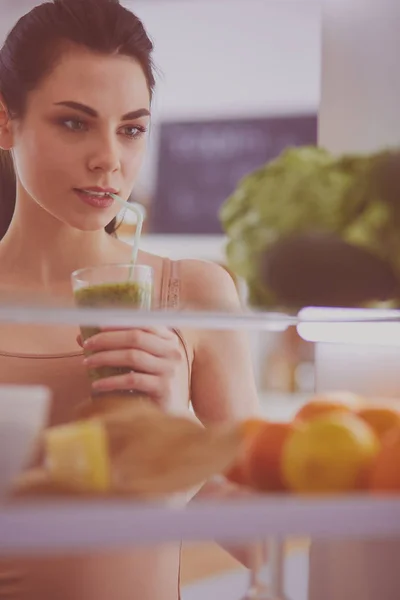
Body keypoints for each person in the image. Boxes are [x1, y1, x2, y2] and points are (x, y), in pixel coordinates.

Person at [0, 0, 260, 598]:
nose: (110, 160)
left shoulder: (191, 295)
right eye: (73, 122)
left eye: (132, 128)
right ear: (7, 120)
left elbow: (263, 541)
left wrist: (179, 435)